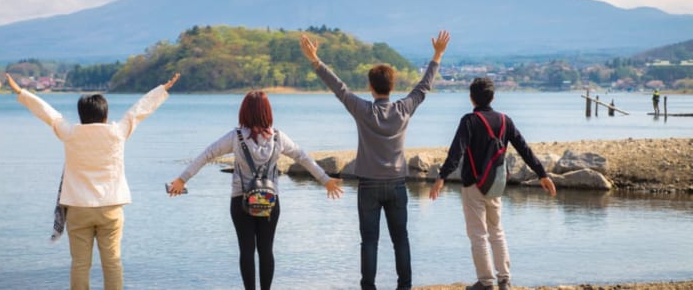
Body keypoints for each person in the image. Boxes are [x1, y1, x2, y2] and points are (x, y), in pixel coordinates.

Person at [300, 30, 451, 290]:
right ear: (391, 86)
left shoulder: (363, 110)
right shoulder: (403, 109)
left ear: (371, 88)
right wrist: (437, 55)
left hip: (369, 185)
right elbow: (423, 87)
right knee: (400, 240)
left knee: (369, 241)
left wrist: (316, 61)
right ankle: (404, 287)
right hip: (396, 184)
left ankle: (368, 287)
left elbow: (339, 88)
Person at [6, 72, 180, 290]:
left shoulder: (70, 133)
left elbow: (49, 114)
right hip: (111, 207)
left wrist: (21, 92)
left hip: (78, 208)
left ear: (81, 115)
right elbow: (138, 111)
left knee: (80, 263)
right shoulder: (117, 132)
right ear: (105, 115)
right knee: (112, 262)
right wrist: (162, 89)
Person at [168, 90, 344, 290]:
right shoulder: (278, 137)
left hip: (241, 201)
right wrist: (325, 179)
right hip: (270, 202)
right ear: (267, 112)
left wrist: (183, 179)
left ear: (244, 112)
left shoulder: (235, 137)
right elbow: (302, 157)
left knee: (247, 250)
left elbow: (208, 154)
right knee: (266, 250)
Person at [429, 77, 556, 290]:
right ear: (493, 97)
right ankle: (504, 280)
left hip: (473, 185)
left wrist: (442, 177)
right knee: (497, 231)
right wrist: (542, 174)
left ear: (471, 98)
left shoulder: (469, 121)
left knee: (478, 234)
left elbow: (456, 151)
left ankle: (486, 282)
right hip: (496, 185)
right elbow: (524, 149)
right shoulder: (505, 121)